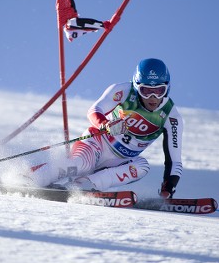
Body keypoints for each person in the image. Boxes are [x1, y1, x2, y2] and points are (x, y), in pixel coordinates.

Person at [28, 58, 183, 198]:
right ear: (136, 87)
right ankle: (31, 178)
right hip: (96, 144)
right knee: (82, 164)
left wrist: (168, 189)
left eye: (159, 90)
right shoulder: (123, 91)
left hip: (118, 161)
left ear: (167, 89)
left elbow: (174, 161)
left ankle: (82, 187)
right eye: (146, 91)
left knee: (142, 166)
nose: (153, 97)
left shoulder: (171, 116)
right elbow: (94, 110)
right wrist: (105, 125)